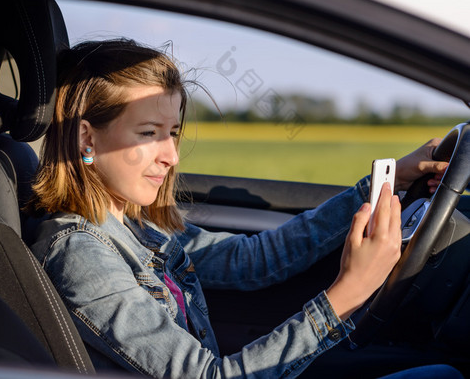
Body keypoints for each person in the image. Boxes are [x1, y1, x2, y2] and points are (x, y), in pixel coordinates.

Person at [28, 39, 455, 378]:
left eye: (173, 132)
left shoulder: (139, 226)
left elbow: (253, 261)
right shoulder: (82, 255)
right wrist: (349, 293)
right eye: (148, 132)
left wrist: (382, 184)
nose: (172, 156)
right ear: (87, 138)